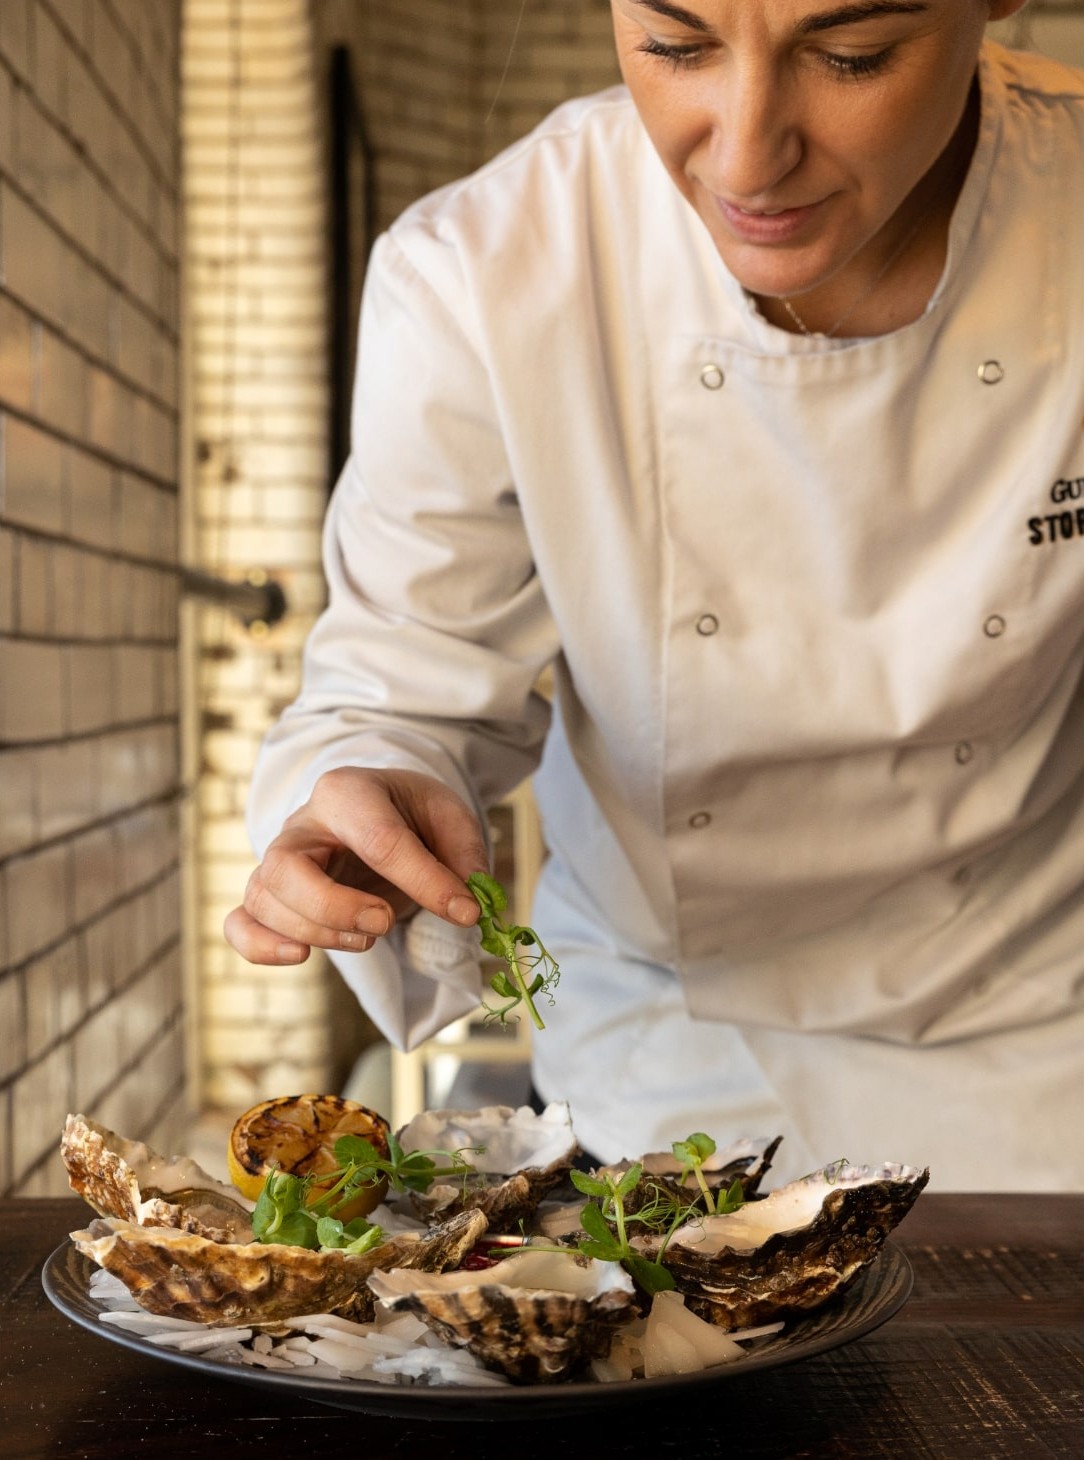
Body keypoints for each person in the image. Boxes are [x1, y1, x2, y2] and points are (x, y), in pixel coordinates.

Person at [226, 0, 1084, 1189]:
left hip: (1046, 1046)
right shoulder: (485, 272)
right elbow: (399, 681)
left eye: (850, 57)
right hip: (670, 1063)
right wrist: (373, 795)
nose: (745, 158)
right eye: (676, 47)